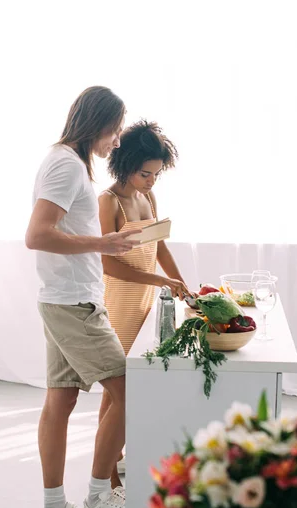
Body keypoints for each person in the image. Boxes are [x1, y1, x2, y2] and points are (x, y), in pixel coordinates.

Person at [25, 86, 141, 508]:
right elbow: (37, 234)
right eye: (115, 130)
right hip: (74, 303)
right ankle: (97, 496)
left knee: (61, 400)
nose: (116, 140)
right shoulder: (67, 166)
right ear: (98, 123)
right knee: (132, 392)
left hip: (62, 298)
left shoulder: (65, 162)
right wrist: (104, 243)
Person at [98, 120, 193, 489]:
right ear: (124, 165)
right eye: (145, 173)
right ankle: (106, 476)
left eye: (156, 174)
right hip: (120, 300)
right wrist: (160, 281)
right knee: (116, 391)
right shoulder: (108, 201)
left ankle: (115, 458)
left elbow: (159, 245)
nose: (152, 180)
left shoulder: (148, 197)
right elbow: (107, 262)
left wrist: (179, 282)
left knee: (133, 381)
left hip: (143, 299)